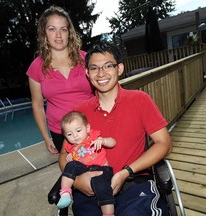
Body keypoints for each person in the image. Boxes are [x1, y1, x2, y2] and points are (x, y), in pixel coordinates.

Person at [58, 42, 172, 216]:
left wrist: (126, 172)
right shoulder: (79, 112)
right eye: (94, 68)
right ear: (87, 73)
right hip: (90, 192)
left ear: (119, 68)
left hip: (133, 183)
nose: (101, 73)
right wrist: (78, 182)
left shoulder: (140, 100)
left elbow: (164, 144)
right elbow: (63, 155)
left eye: (108, 66)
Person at [26, 6, 93, 155]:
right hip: (61, 134)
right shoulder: (36, 66)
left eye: (63, 29)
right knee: (73, 173)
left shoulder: (86, 59)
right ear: (44, 32)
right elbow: (37, 105)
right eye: (52, 29)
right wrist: (46, 137)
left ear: (69, 32)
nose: (58, 35)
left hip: (91, 127)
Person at [57, 111, 116, 216]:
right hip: (84, 171)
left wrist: (103, 141)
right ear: (65, 136)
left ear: (87, 128)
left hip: (102, 170)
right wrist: (70, 156)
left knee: (102, 187)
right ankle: (65, 193)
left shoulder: (94, 136)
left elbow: (113, 142)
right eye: (69, 134)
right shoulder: (71, 147)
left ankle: (108, 214)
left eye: (78, 130)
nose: (75, 136)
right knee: (70, 165)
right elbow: (71, 160)